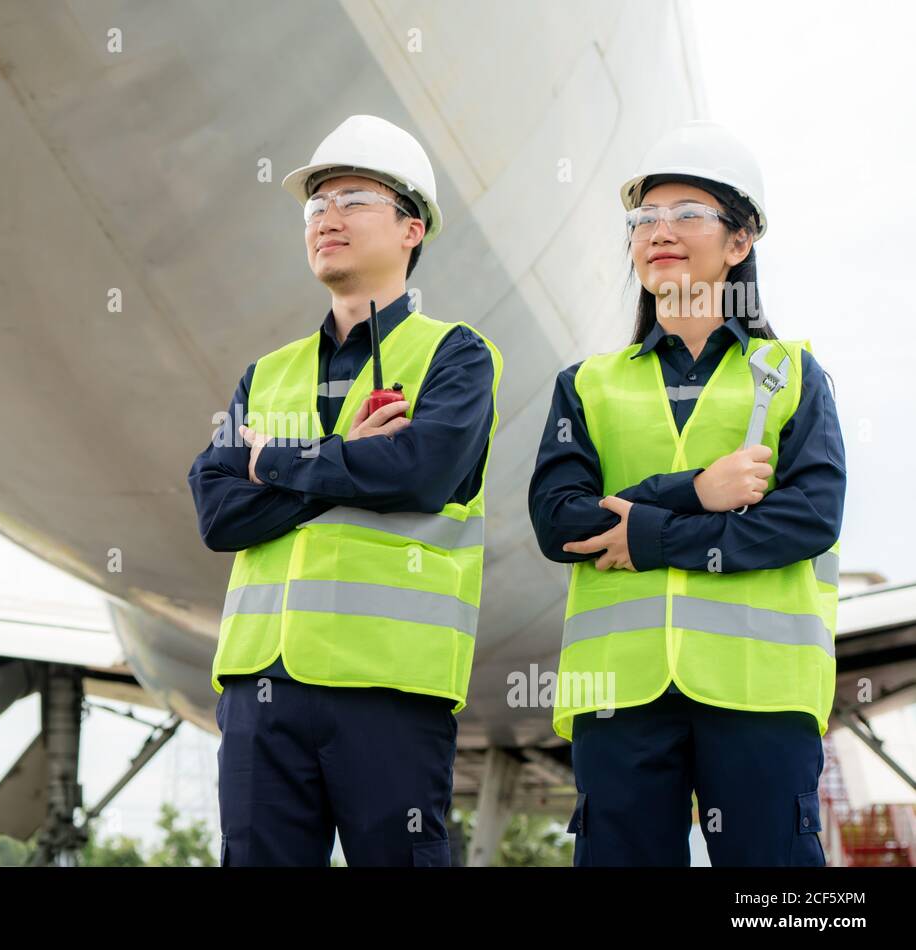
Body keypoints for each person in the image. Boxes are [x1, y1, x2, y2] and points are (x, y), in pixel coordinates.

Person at [187, 115, 503, 866]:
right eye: (315, 205)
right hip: (261, 689)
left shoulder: (456, 356)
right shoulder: (267, 372)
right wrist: (342, 459)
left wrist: (279, 463)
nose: (327, 217)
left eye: (353, 198)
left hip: (389, 687)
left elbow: (420, 474)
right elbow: (217, 511)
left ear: (411, 229)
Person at [528, 120, 846, 866]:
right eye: (644, 219)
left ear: (739, 243)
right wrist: (697, 491)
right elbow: (558, 523)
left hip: (759, 694)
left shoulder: (795, 373)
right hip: (620, 696)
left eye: (686, 215)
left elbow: (807, 520)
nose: (658, 232)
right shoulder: (587, 384)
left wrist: (650, 535)